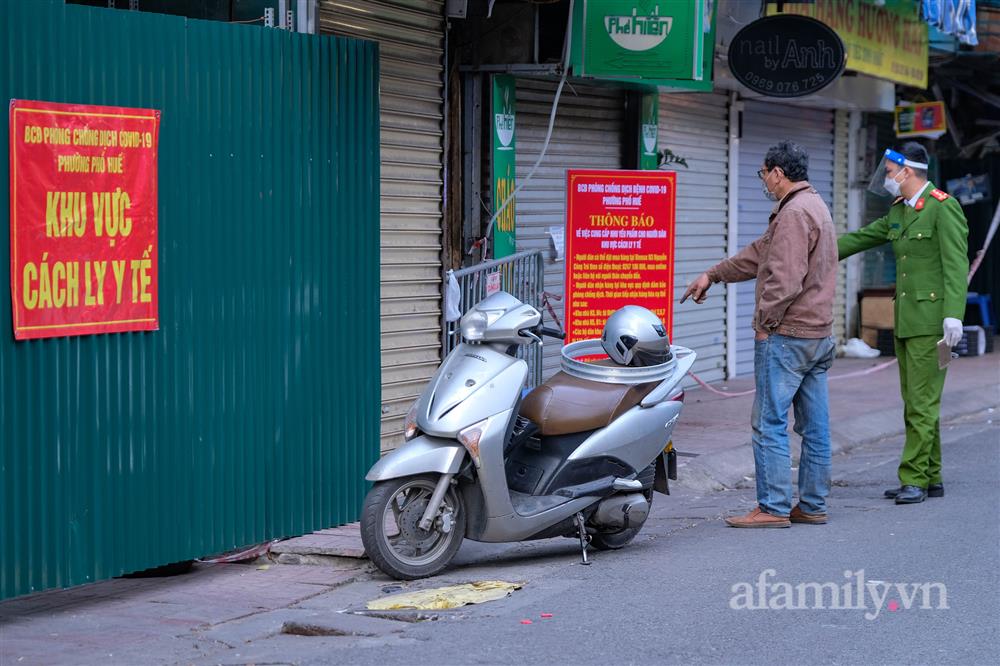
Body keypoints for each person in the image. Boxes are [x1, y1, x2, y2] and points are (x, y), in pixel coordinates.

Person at [682, 140, 838, 528]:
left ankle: (772, 507)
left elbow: (783, 281)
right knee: (814, 426)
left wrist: (764, 325)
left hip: (788, 335)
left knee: (769, 421)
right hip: (818, 335)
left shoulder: (793, 214)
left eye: (764, 174)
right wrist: (713, 274)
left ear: (777, 173)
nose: (764, 182)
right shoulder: (813, 206)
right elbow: (758, 254)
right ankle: (813, 505)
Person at [837, 142, 969, 505]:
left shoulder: (943, 208)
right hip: (907, 322)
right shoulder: (900, 212)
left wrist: (954, 313)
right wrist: (814, 248)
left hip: (934, 323)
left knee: (921, 404)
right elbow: (861, 238)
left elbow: (956, 264)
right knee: (916, 401)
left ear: (907, 172)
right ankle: (932, 476)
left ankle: (913, 478)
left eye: (892, 173)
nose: (889, 179)